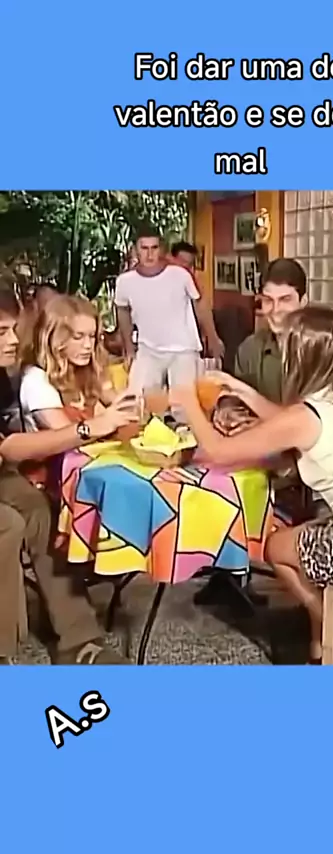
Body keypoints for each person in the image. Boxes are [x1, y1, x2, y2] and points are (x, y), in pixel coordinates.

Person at [169, 306, 333, 664]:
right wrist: (242, 391)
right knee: (305, 532)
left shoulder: (307, 415)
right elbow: (289, 425)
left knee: (276, 546)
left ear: (301, 358)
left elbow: (218, 451)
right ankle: (326, 643)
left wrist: (189, 403)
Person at [0, 288, 139, 664]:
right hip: (44, 472)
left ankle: (79, 641)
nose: (14, 340)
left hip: (17, 472)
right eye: (2, 332)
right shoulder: (35, 379)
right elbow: (16, 447)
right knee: (19, 518)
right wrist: (93, 427)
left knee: (38, 512)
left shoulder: (6, 377)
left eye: (14, 329)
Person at [115, 226, 223, 397]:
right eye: (144, 248)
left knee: (184, 403)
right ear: (135, 250)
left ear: (161, 249)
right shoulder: (125, 281)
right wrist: (128, 348)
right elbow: (122, 311)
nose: (149, 254)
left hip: (183, 349)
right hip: (147, 349)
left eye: (154, 248)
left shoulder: (180, 274)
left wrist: (213, 338)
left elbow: (200, 305)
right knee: (137, 398)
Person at [19, 294, 116, 432]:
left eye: (92, 336)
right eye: (78, 337)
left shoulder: (85, 371)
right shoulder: (36, 379)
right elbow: (65, 432)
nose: (88, 345)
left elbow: (113, 406)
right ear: (54, 338)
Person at [234, 258, 307, 404]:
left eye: (285, 300)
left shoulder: (324, 351)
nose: (276, 310)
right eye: (268, 300)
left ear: (303, 302)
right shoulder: (249, 349)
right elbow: (238, 402)